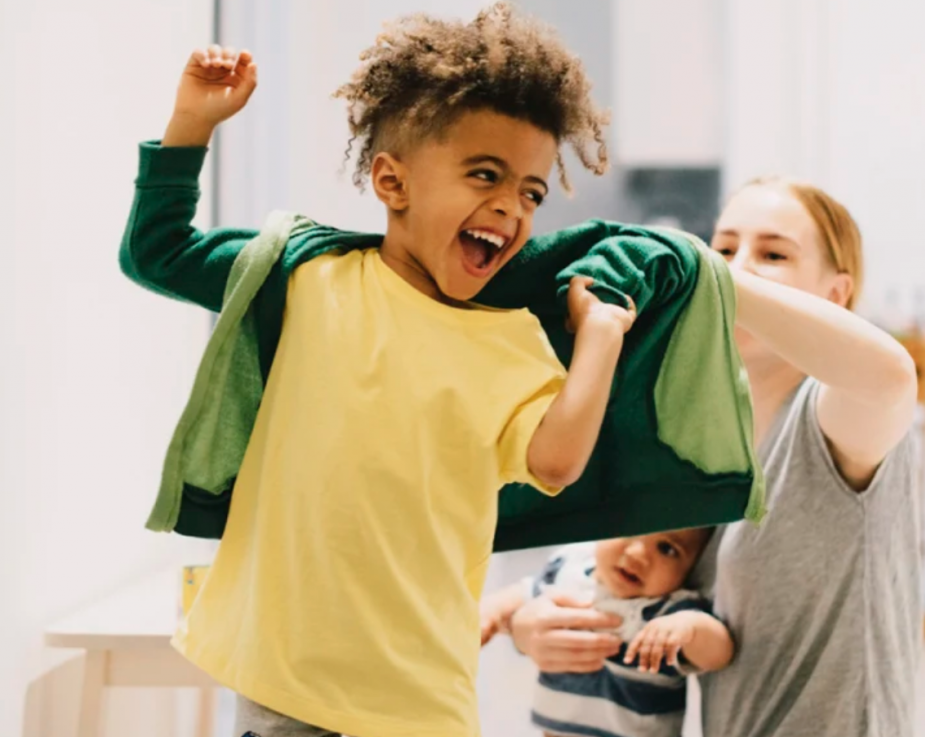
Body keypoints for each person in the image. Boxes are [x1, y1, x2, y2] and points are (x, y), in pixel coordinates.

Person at [120, 6, 635, 736]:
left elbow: (555, 460)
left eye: (530, 192)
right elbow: (157, 251)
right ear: (392, 182)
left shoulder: (511, 341)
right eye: (484, 174)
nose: (510, 207)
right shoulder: (305, 277)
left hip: (418, 703)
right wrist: (191, 122)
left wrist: (603, 336)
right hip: (285, 681)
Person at [508, 177, 921, 737]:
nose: (738, 264)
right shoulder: (705, 429)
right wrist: (532, 624)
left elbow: (891, 379)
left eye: (772, 253)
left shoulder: (829, 416)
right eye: (724, 247)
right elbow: (630, 583)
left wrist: (710, 274)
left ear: (834, 295)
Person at [480, 529, 732, 737]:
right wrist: (488, 612)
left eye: (667, 549)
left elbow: (720, 653)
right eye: (631, 528)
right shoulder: (572, 567)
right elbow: (523, 592)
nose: (637, 554)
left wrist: (689, 627)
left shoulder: (668, 611)